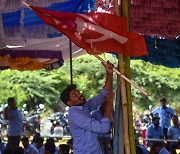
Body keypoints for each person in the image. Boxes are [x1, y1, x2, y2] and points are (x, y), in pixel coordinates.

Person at [60, 61, 114, 154]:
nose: (80, 94)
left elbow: (102, 96)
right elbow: (103, 128)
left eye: (78, 92)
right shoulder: (75, 114)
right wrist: (109, 104)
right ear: (70, 103)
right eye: (75, 95)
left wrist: (109, 74)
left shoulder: (83, 107)